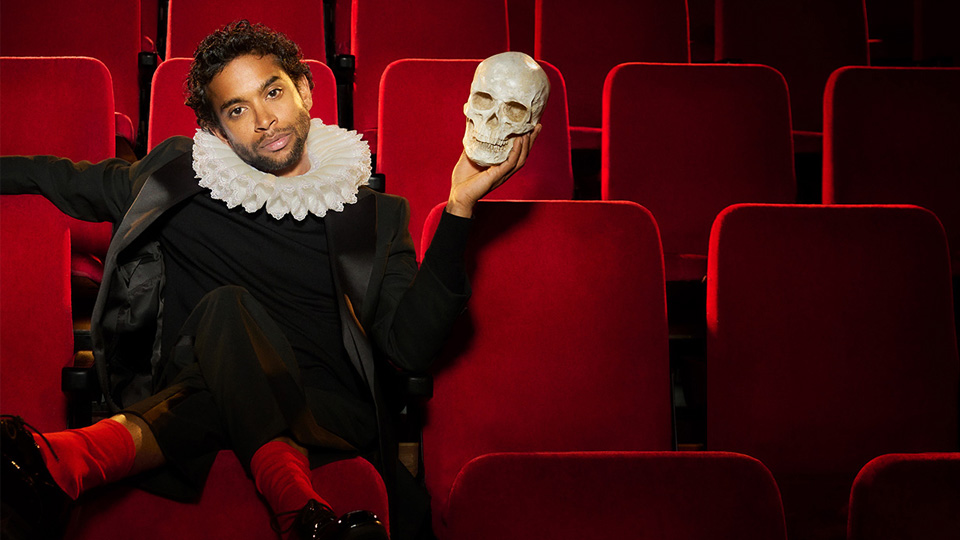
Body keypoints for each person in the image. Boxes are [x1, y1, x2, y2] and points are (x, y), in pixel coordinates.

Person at [0, 20, 539, 540]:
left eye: (274, 92)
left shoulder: (375, 214)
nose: (265, 119)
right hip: (200, 379)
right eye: (238, 109)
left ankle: (67, 458)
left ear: (304, 89)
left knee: (225, 308)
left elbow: (411, 348)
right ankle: (299, 509)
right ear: (215, 128)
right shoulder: (176, 176)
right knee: (226, 311)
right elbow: (64, 179)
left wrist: (460, 205)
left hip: (324, 413)